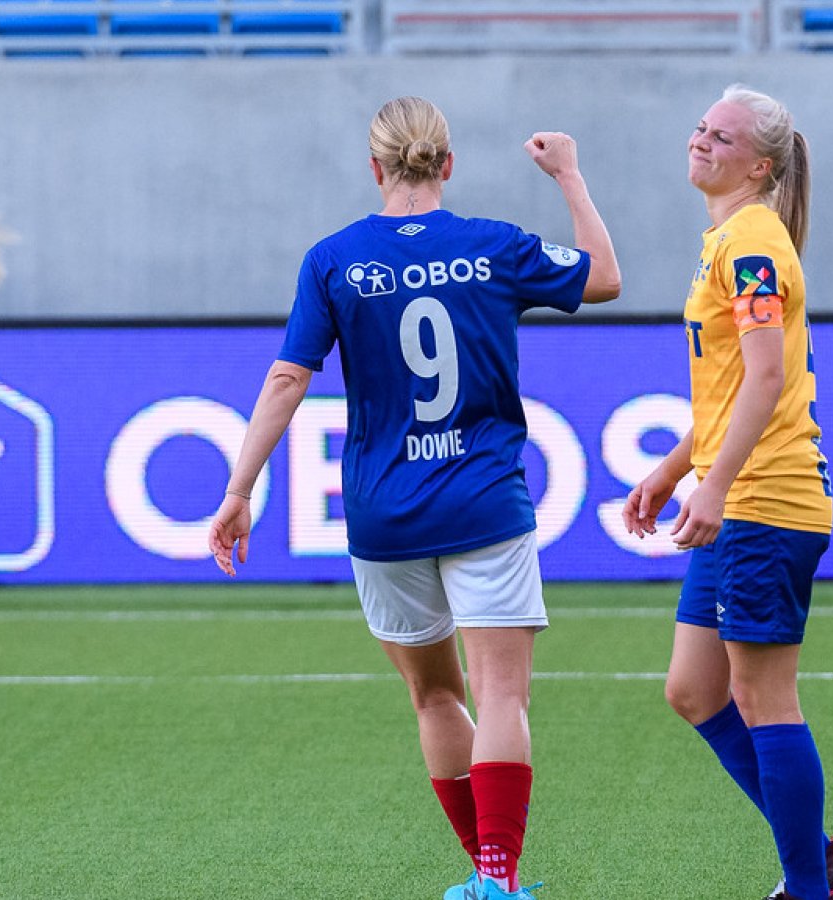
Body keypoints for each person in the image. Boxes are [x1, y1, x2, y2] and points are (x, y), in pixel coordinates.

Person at [209, 96, 621, 900]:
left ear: (376, 168)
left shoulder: (333, 259)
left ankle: (485, 877)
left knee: (435, 693)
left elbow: (289, 379)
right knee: (502, 694)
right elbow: (603, 277)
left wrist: (238, 488)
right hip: (484, 502)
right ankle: (498, 877)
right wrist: (568, 175)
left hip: (384, 511)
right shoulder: (493, 246)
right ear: (448, 164)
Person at [620, 85, 833, 900]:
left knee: (763, 694)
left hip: (766, 500)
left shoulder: (752, 243)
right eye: (699, 128)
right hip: (740, 495)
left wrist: (713, 487)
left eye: (721, 137)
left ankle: (806, 887)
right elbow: (732, 392)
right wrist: (675, 468)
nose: (702, 141)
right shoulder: (730, 238)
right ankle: (813, 854)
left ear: (759, 165)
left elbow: (765, 377)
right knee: (694, 690)